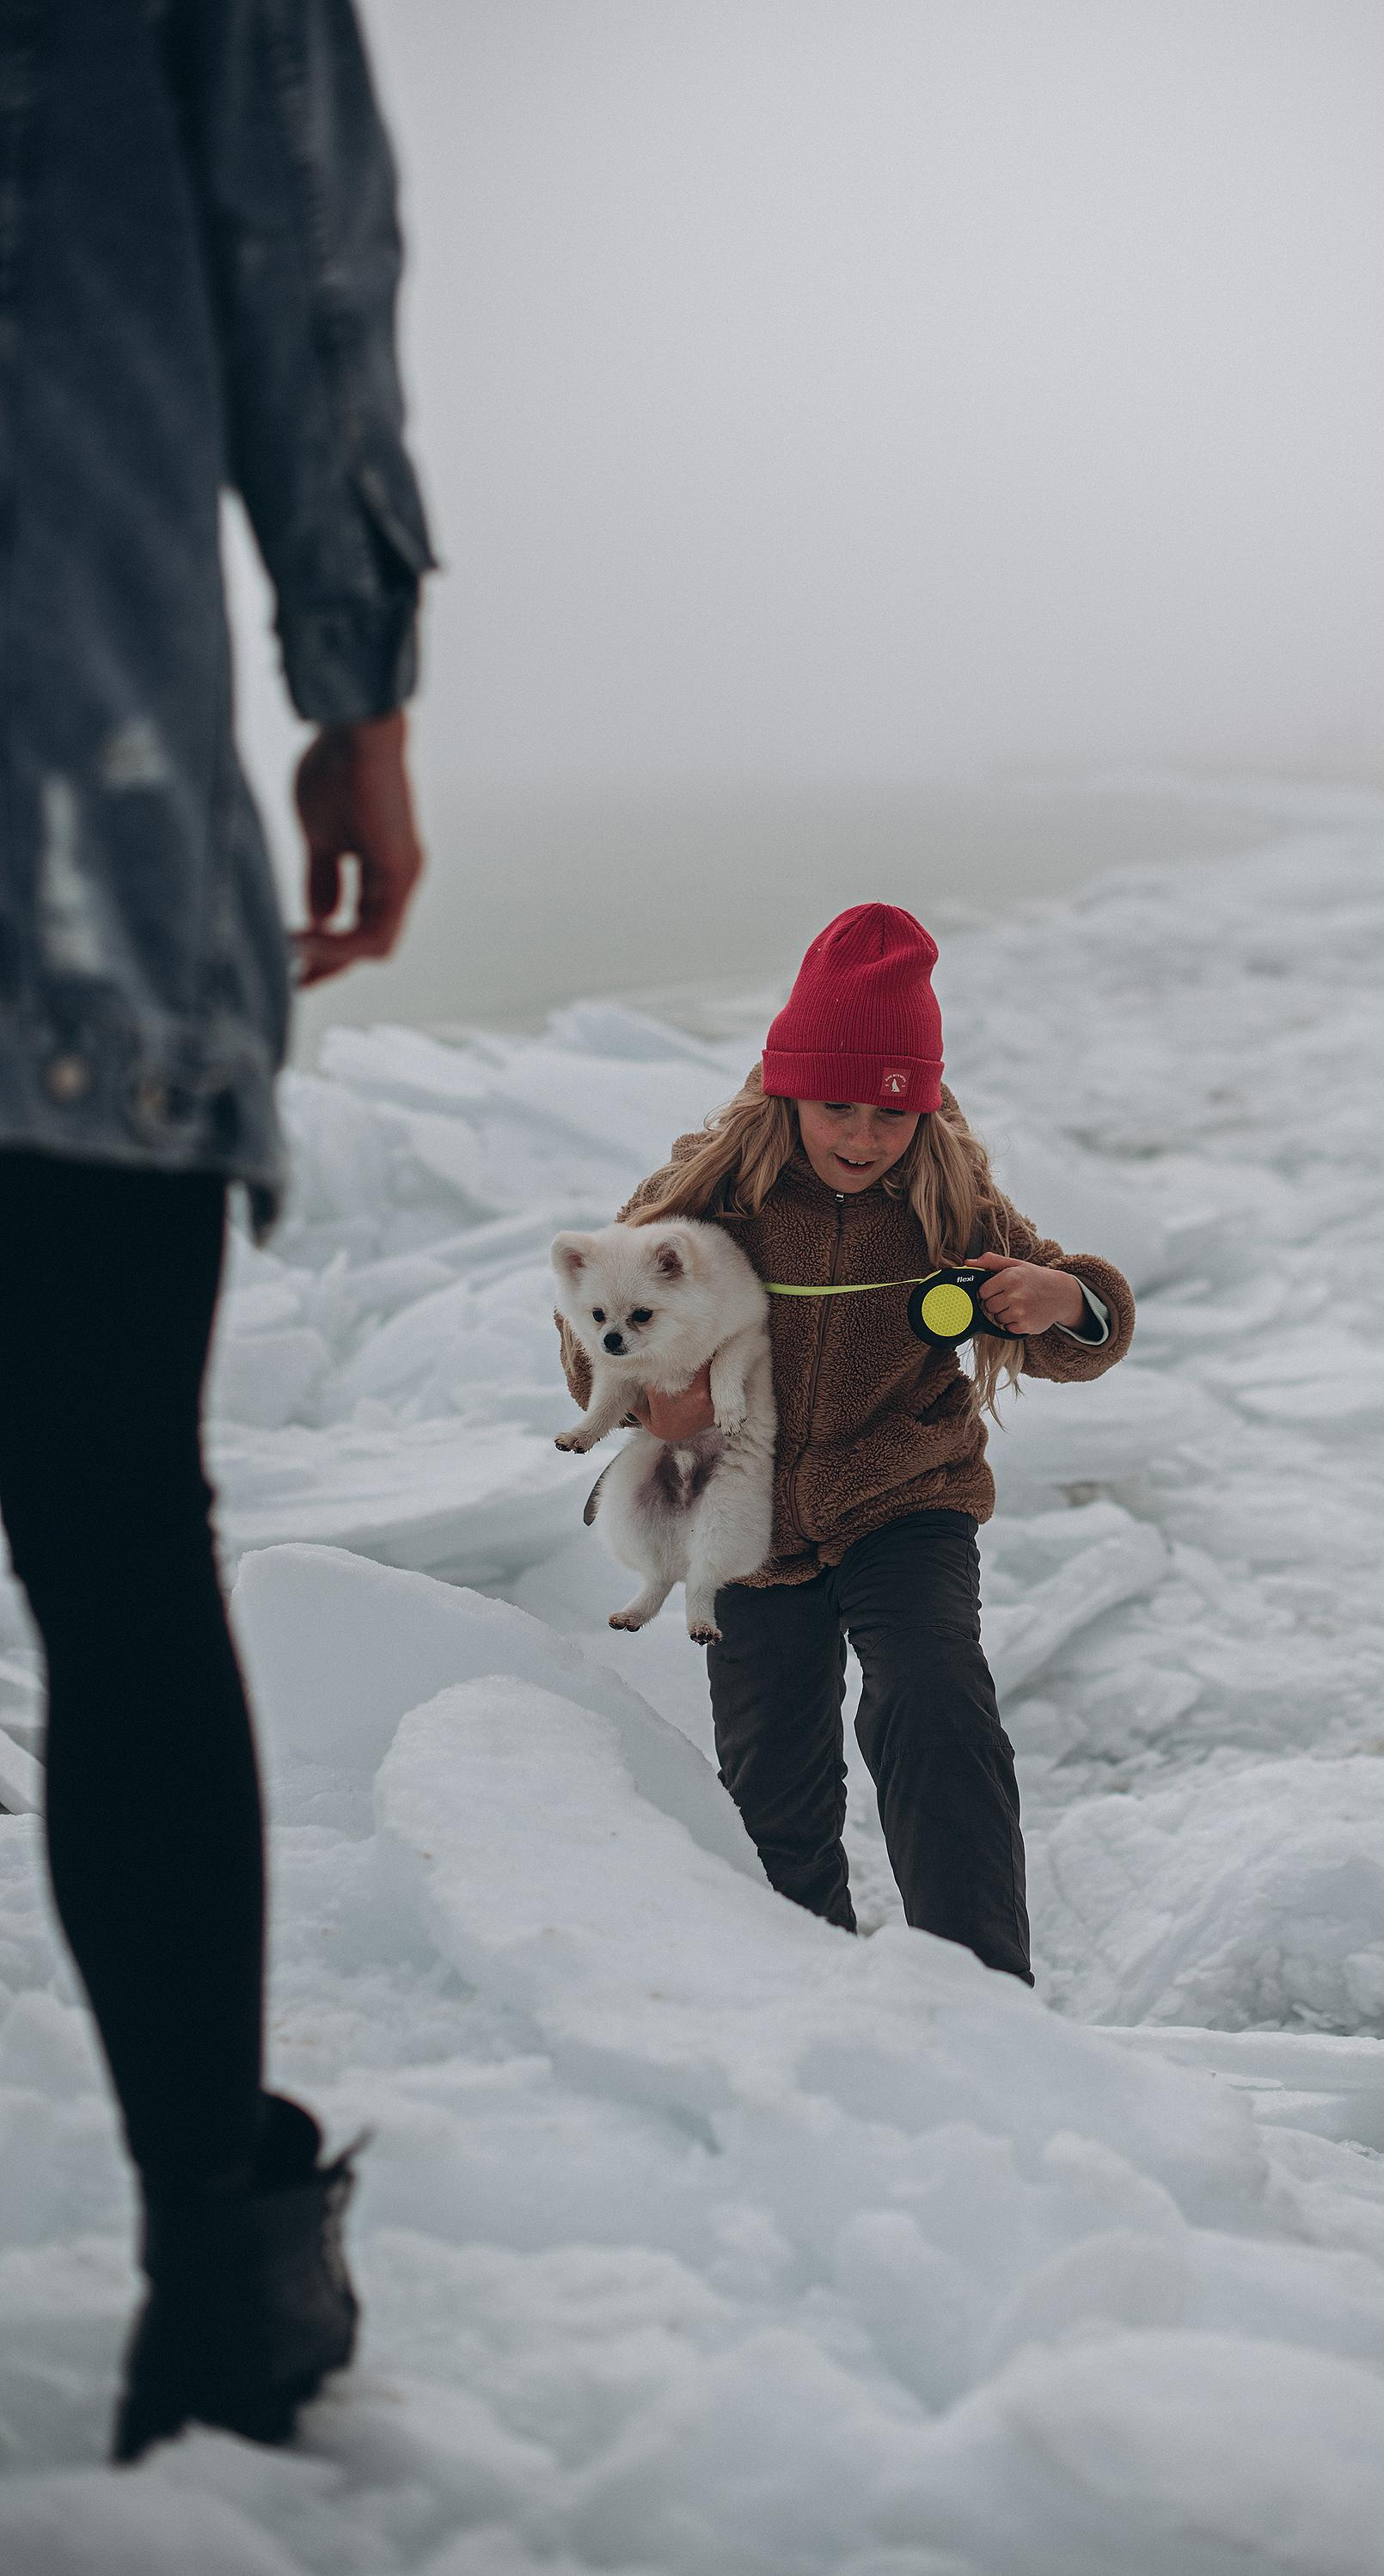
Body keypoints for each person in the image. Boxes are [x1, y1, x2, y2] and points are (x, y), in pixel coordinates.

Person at [0, 1, 432, 2460]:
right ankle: (220, 2275)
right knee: (112, 1539)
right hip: (65, 817)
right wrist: (356, 683)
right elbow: (304, 254)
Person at [556, 905, 1134, 1981]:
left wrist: (1062, 1300)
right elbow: (591, 1311)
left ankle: (982, 1992)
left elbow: (1074, 1329)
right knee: (774, 1782)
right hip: (745, 1518)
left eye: (891, 1111)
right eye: (837, 1107)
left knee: (934, 1704)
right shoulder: (702, 1194)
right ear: (787, 1089)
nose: (864, 1136)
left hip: (900, 1497)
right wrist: (649, 1405)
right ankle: (807, 1997)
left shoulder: (948, 1193)